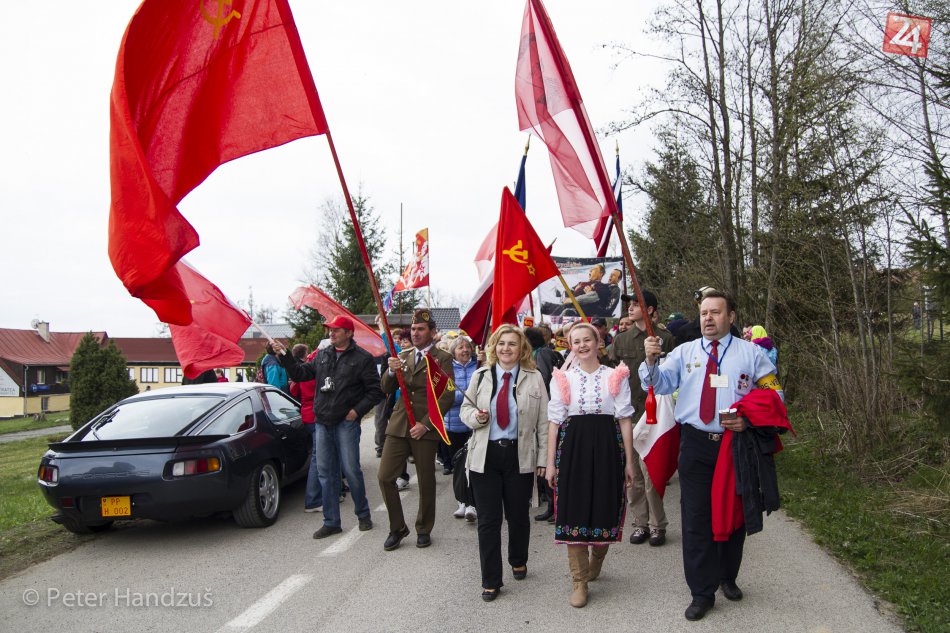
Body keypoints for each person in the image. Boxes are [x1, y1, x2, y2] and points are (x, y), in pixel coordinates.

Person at [639, 290, 778, 621]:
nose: (708, 318)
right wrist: (651, 361)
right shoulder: (684, 352)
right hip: (696, 444)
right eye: (704, 313)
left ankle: (727, 576)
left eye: (715, 312)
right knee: (696, 518)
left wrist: (749, 419)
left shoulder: (751, 354)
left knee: (734, 514)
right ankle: (701, 592)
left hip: (736, 444)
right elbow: (658, 385)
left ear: (730, 317)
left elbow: (774, 394)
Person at [545, 322, 635, 608]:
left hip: (608, 446)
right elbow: (554, 423)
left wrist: (629, 461)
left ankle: (597, 556)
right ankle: (579, 581)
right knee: (573, 509)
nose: (582, 345)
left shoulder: (615, 375)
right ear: (570, 346)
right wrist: (550, 463)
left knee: (605, 506)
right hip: (573, 447)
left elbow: (624, 420)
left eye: (587, 340)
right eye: (576, 341)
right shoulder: (563, 378)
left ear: (598, 343)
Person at [461, 325, 549, 601]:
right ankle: (491, 580)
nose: (506, 348)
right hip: (485, 456)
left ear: (521, 348)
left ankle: (518, 558)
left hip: (519, 456)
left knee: (518, 516)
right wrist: (477, 418)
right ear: (494, 347)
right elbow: (465, 409)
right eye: (501, 343)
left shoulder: (534, 378)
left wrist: (544, 459)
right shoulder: (480, 376)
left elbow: (544, 423)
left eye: (512, 343)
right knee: (488, 521)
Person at [275, 316, 383, 539]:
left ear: (349, 333)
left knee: (351, 470)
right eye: (330, 330)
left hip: (346, 423)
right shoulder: (322, 355)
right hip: (322, 422)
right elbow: (300, 374)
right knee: (325, 472)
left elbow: (375, 391)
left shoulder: (362, 358)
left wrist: (356, 411)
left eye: (336, 330)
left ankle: (363, 515)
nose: (331, 333)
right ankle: (331, 522)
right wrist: (284, 356)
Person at [378, 309, 455, 550]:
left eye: (420, 329)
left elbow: (447, 394)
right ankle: (397, 527)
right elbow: (385, 388)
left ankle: (424, 528)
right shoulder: (403, 356)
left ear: (432, 332)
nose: (415, 333)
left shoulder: (442, 358)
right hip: (399, 423)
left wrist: (426, 424)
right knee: (385, 477)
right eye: (413, 329)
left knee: (425, 479)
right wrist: (391, 370)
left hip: (425, 426)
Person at [609, 290, 676, 547]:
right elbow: (612, 375)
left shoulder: (666, 339)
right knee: (633, 475)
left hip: (655, 416)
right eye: (629, 304)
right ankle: (640, 523)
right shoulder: (621, 340)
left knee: (652, 474)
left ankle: (658, 525)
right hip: (629, 415)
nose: (630, 307)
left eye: (636, 304)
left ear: (649, 310)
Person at [524, 326, 558, 522]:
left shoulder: (542, 353)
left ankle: (554, 507)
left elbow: (544, 377)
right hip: (543, 408)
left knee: (546, 460)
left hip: (546, 408)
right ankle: (551, 506)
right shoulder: (540, 352)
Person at [288, 344, 323, 513]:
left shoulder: (303, 370)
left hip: (306, 414)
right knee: (319, 456)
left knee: (320, 454)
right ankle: (313, 499)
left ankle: (331, 492)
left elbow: (294, 391)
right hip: (317, 415)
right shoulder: (317, 371)